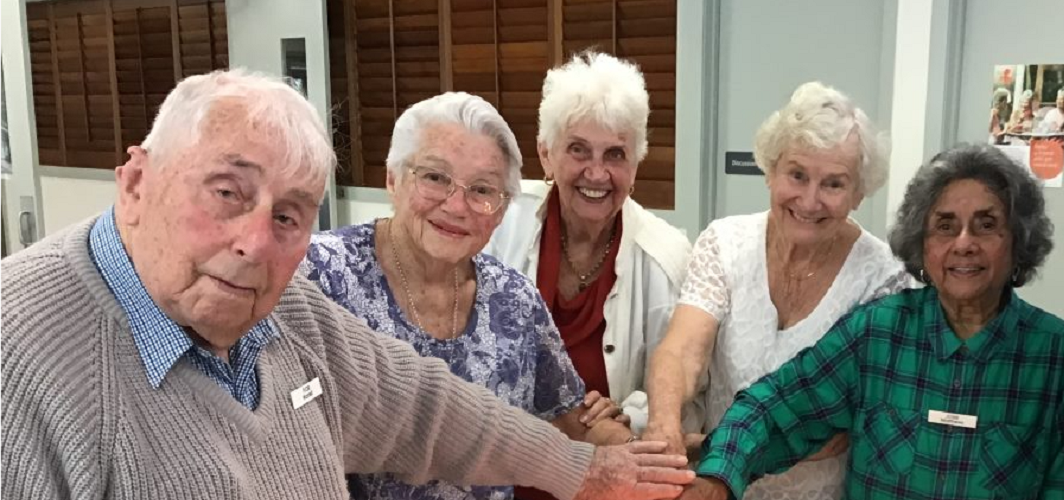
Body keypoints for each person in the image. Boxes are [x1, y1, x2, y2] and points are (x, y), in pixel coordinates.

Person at [0, 69, 694, 500]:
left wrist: (584, 470)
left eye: (289, 215)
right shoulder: (20, 349)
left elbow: (428, 412)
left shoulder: (284, 313)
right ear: (136, 183)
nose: (254, 242)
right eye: (226, 191)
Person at [677, 143, 1064, 500]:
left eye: (986, 225)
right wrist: (718, 477)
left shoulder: (1058, 356)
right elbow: (774, 408)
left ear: (1019, 240)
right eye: (944, 227)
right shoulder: (877, 334)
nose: (964, 244)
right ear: (922, 244)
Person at [301, 92, 637, 500]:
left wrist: (633, 448)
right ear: (393, 179)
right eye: (435, 178)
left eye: (482, 190)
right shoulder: (318, 275)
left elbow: (570, 414)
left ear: (500, 210)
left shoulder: (513, 300)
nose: (457, 206)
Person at [643, 81, 911, 499]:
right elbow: (682, 351)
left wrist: (722, 458)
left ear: (859, 193)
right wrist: (664, 428)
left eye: (834, 184)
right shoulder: (725, 243)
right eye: (797, 174)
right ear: (771, 171)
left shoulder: (884, 279)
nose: (809, 200)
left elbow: (839, 425)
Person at [484, 51, 693, 439]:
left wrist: (631, 414)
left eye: (615, 154)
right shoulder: (499, 222)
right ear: (546, 154)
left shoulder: (666, 255)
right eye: (578, 149)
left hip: (603, 467)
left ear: (636, 164)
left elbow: (687, 387)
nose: (596, 173)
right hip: (504, 461)